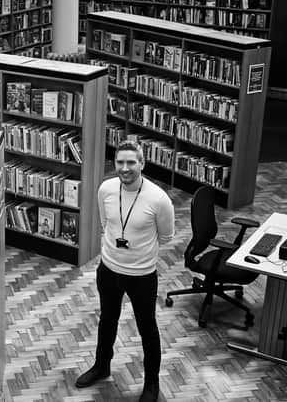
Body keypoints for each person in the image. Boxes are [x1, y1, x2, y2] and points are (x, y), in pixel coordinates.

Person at [75, 140, 175, 402]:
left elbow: (166, 236)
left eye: (131, 162)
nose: (125, 168)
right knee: (107, 320)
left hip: (142, 275)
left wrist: (139, 253)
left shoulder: (158, 199)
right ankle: (101, 366)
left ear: (142, 163)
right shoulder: (106, 189)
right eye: (120, 162)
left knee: (147, 329)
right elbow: (105, 224)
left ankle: (151, 384)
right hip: (108, 269)